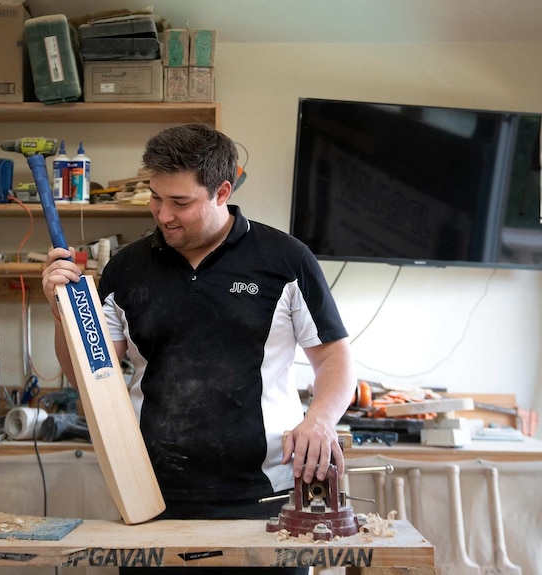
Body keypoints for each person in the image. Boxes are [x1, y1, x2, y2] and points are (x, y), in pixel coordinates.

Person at [42, 124, 356, 574]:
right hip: (150, 490)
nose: (163, 214)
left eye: (180, 202)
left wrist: (321, 419)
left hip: (264, 493)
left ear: (221, 191)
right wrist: (60, 315)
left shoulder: (285, 260)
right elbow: (92, 378)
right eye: (155, 197)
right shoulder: (125, 270)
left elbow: (334, 357)